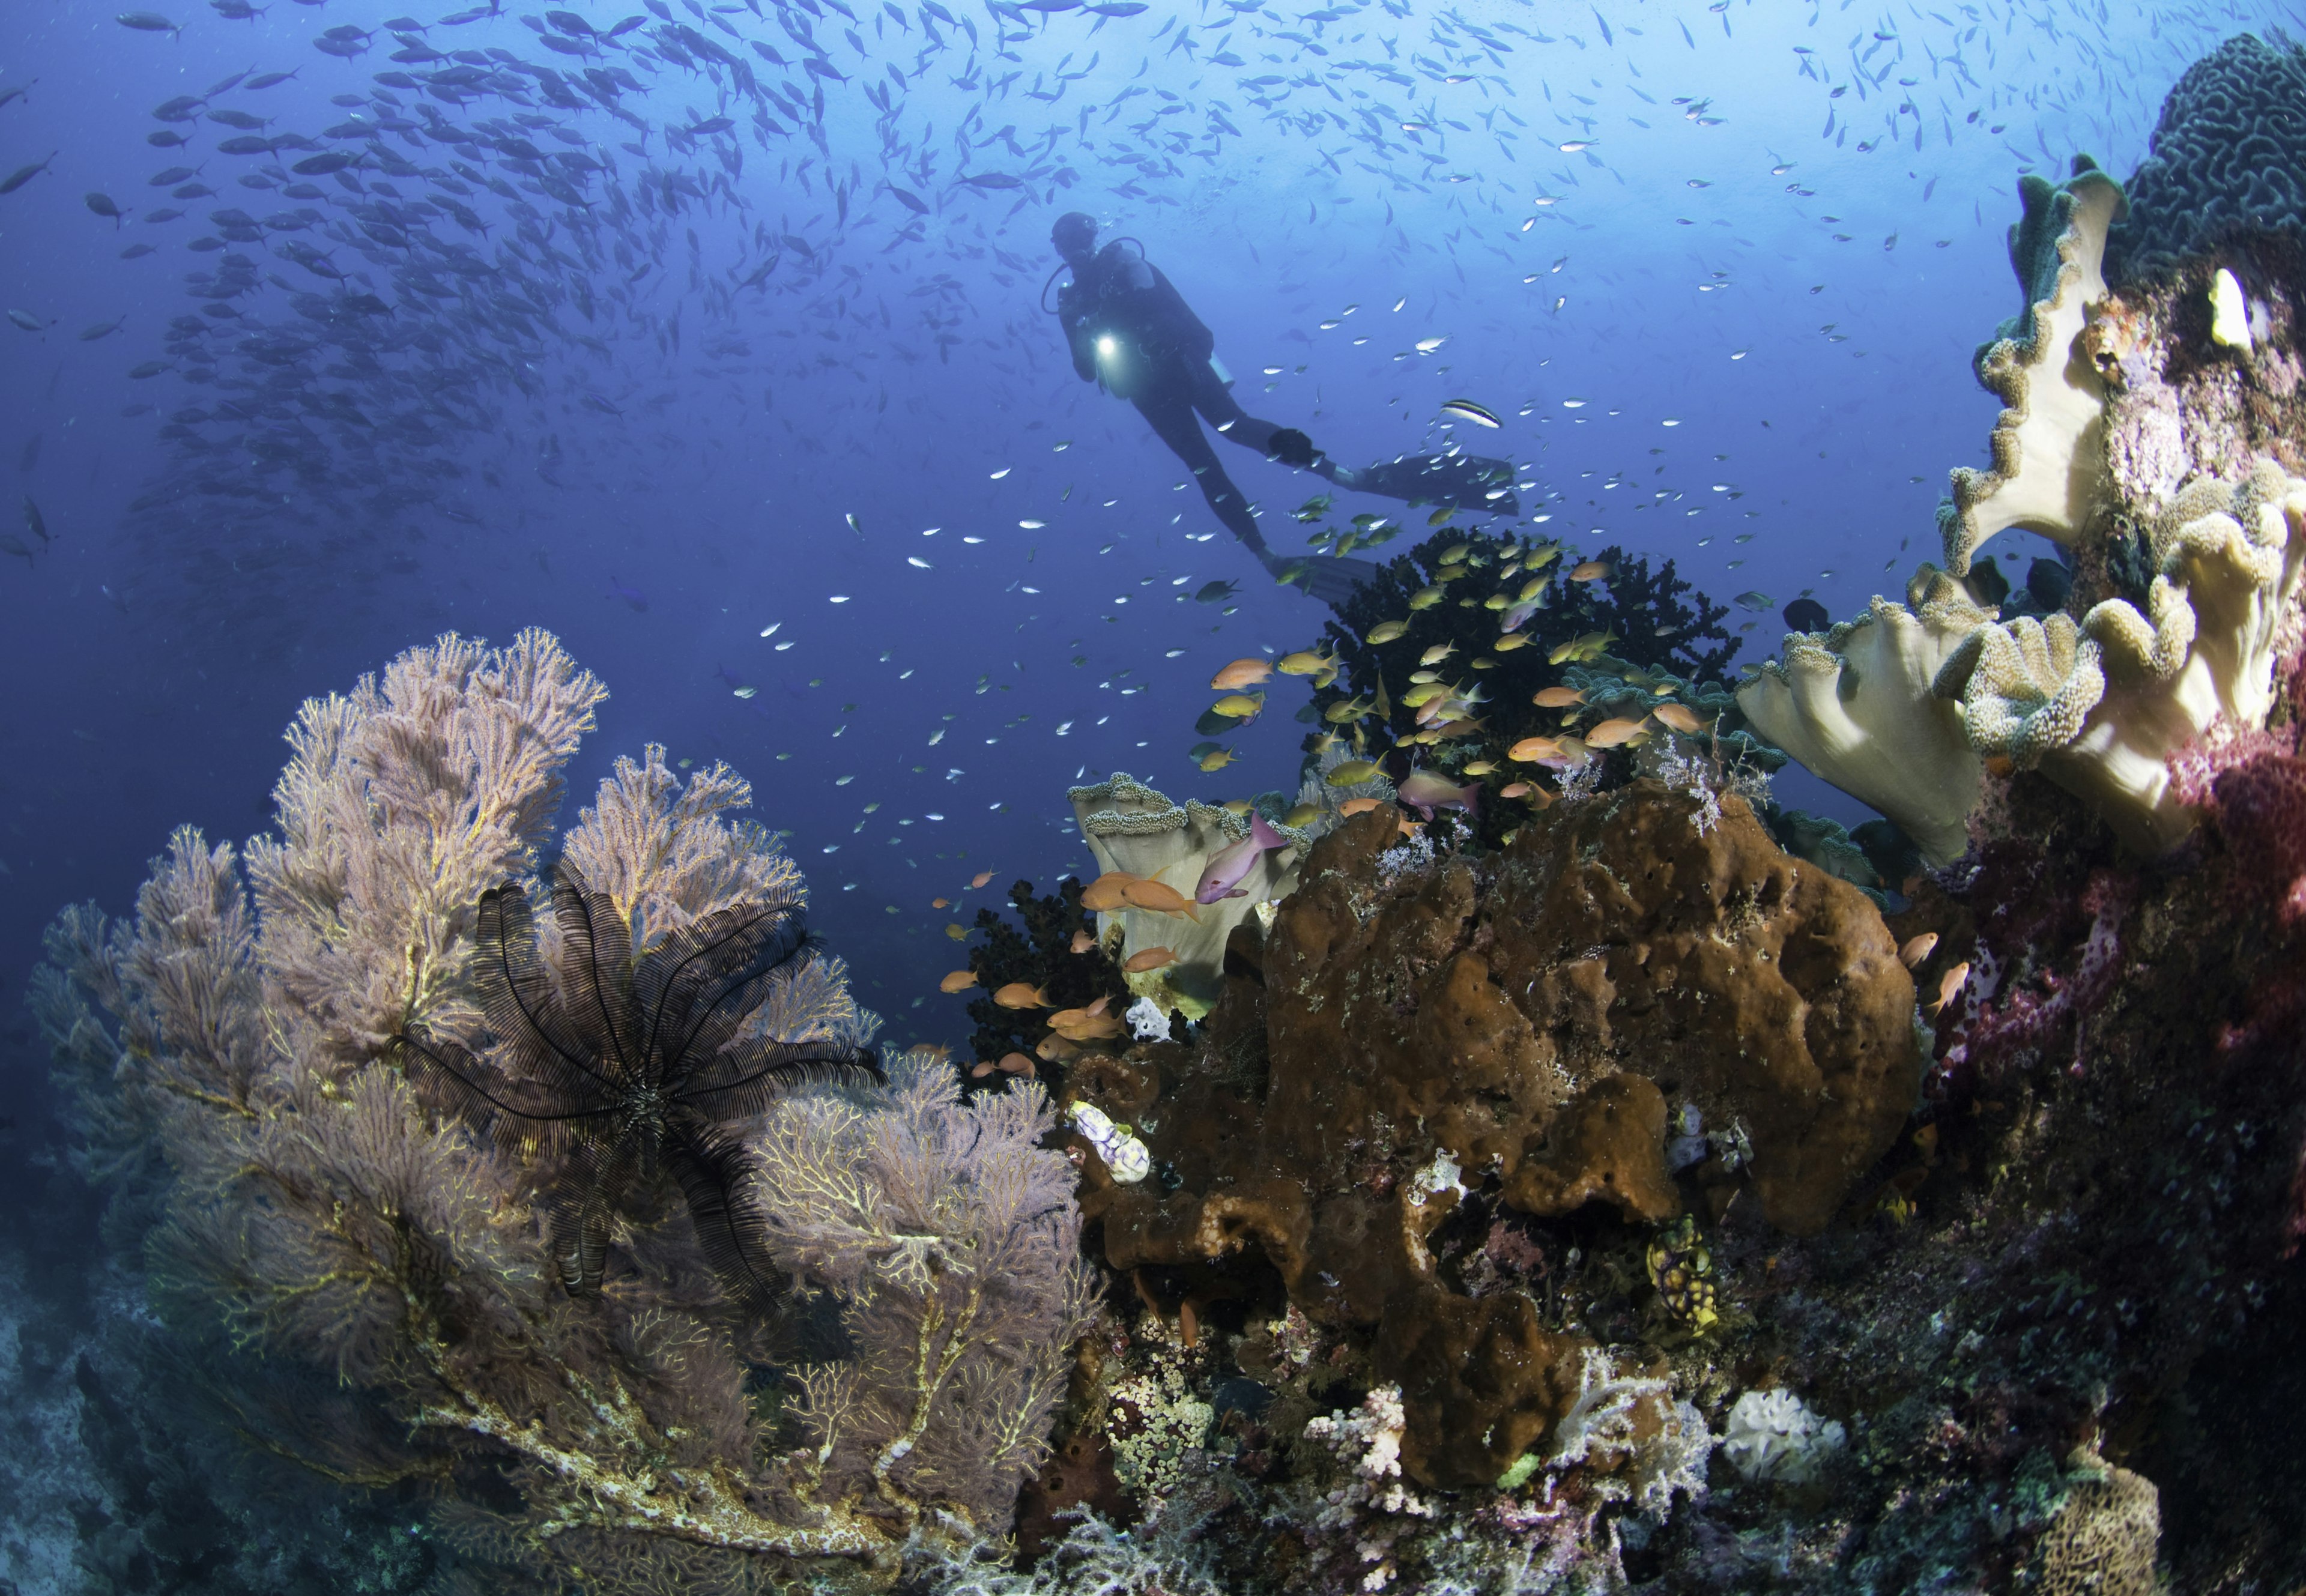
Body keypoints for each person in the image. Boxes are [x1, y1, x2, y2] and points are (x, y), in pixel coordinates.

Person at [1047, 213, 1517, 605]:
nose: (1075, 249)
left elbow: (1187, 319)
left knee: (1239, 432)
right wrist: (1085, 336)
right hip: (1146, 389)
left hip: (1180, 367)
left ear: (1091, 235)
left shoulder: (1127, 265)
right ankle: (1266, 553)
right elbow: (1085, 372)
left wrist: (1160, 333)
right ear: (1059, 250)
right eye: (1066, 243)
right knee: (1203, 464)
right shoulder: (1071, 302)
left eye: (1078, 238)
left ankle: (1345, 478)